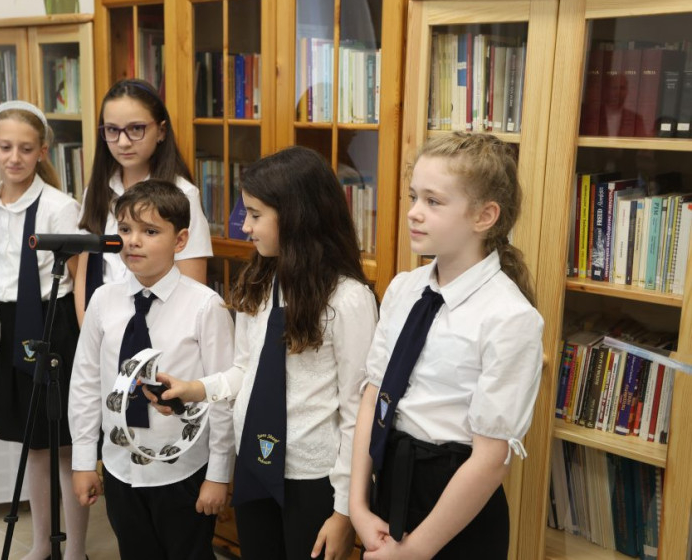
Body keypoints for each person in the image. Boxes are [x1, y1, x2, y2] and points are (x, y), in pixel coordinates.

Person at [148, 146, 379, 560]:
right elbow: (246, 370)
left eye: (255, 214)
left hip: (314, 479)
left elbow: (357, 412)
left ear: (296, 216)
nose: (244, 227)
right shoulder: (259, 283)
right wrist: (194, 389)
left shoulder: (349, 299)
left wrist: (344, 511)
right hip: (254, 462)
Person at [348, 132, 544, 559]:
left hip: (456, 508)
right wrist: (358, 506)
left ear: (484, 216)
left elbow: (491, 459)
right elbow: (373, 397)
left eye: (433, 202)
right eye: (413, 197)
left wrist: (414, 551)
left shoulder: (510, 317)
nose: (414, 212)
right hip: (389, 484)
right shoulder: (404, 289)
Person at [68, 180, 235, 560]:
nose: (133, 241)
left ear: (181, 240)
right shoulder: (103, 300)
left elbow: (222, 394)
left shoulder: (205, 306)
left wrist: (219, 474)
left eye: (150, 231)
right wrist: (83, 461)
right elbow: (85, 383)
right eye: (125, 229)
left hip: (184, 468)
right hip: (119, 465)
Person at [0, 100, 88, 560]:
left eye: (25, 148)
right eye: (5, 147)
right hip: (10, 326)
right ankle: (41, 543)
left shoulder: (60, 207)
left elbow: (79, 279)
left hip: (54, 325)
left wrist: (87, 344)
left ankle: (75, 549)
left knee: (64, 446)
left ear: (42, 152)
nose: (14, 157)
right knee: (33, 446)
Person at [74, 79, 213, 323]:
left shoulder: (183, 194)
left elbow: (191, 290)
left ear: (161, 131)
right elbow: (84, 274)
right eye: (112, 130)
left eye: (136, 128)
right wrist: (89, 331)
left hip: (158, 328)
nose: (123, 142)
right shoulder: (96, 191)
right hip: (103, 327)